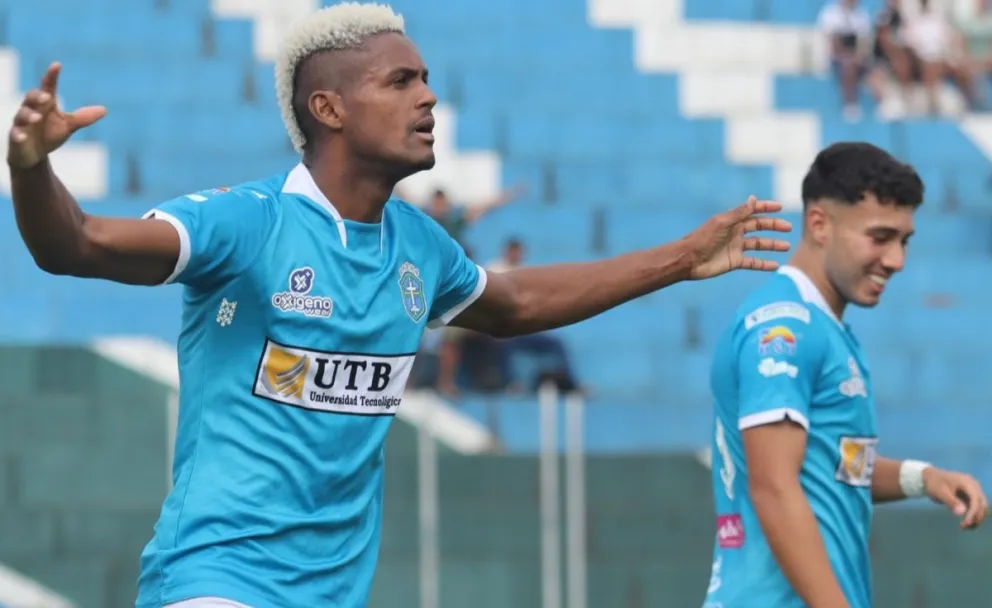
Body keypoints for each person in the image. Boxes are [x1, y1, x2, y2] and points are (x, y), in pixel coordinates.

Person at [7, 4, 791, 608]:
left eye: (424, 79)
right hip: (219, 580)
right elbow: (75, 245)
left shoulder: (418, 247)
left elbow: (512, 303)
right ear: (329, 108)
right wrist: (33, 170)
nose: (429, 96)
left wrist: (685, 258)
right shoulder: (248, 223)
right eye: (401, 81)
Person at [701, 142, 989, 608]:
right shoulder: (785, 328)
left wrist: (923, 478)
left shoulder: (827, 330)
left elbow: (836, 471)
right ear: (819, 224)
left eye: (904, 240)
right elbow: (774, 486)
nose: (897, 260)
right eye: (880, 237)